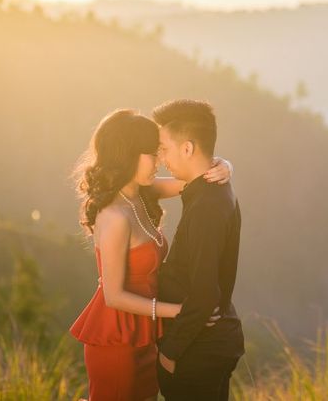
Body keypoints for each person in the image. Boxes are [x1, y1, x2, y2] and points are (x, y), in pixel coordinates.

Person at [69, 108, 233, 401]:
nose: (160, 161)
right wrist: (181, 312)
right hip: (118, 338)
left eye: (160, 152)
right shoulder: (114, 216)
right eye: (151, 154)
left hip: (146, 332)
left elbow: (195, 179)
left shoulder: (142, 193)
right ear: (128, 154)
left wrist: (225, 166)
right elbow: (113, 296)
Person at [153, 99, 245, 401]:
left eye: (164, 148)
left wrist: (169, 351)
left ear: (188, 148)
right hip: (211, 344)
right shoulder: (213, 189)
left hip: (199, 349)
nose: (161, 157)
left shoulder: (207, 206)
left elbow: (205, 293)